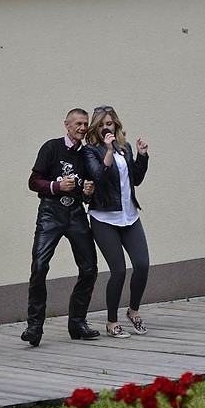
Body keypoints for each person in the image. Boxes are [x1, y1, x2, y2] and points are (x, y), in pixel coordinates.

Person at [20, 108, 99, 347]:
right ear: (67, 125)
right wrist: (56, 186)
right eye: (78, 123)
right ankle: (34, 326)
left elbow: (86, 190)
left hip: (75, 213)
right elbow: (33, 181)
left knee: (89, 268)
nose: (82, 128)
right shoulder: (51, 147)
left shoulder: (86, 154)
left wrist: (88, 192)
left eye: (85, 124)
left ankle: (77, 322)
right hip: (50, 212)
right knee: (39, 266)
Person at [84, 105, 149, 339]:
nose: (106, 128)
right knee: (119, 271)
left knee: (142, 264)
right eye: (101, 125)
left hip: (129, 215)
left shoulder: (125, 147)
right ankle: (112, 322)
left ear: (116, 125)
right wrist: (109, 151)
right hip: (104, 218)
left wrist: (142, 156)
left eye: (109, 124)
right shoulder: (90, 151)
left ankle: (133, 311)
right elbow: (99, 176)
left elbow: (136, 179)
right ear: (96, 128)